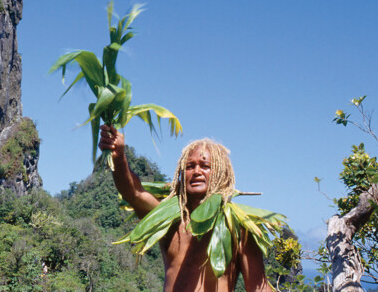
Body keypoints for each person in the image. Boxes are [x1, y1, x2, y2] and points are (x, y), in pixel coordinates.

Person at [99, 125, 272, 292]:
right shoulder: (169, 221)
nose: (196, 171)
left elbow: (259, 287)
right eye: (189, 166)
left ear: (221, 173)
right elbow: (134, 193)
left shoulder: (239, 229)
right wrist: (118, 156)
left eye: (205, 166)